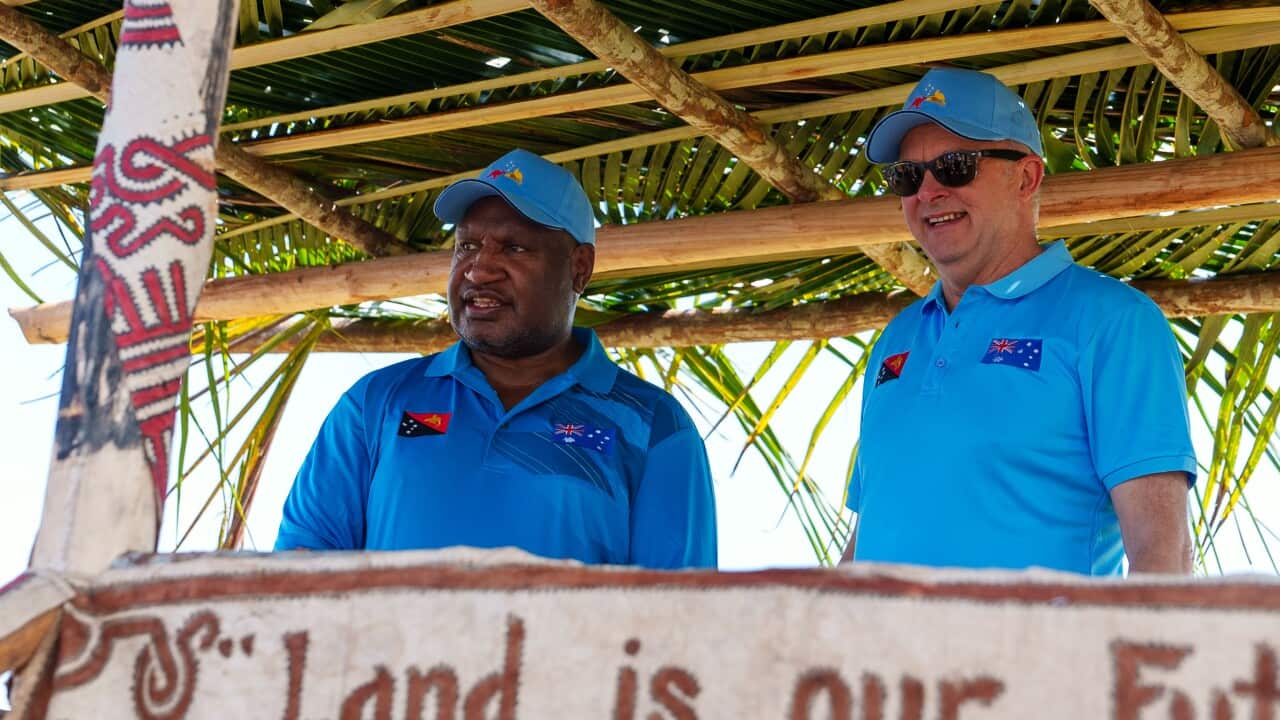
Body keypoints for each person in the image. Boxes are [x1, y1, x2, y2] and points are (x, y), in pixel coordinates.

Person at [275, 148, 717, 569]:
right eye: (466, 247)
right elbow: (297, 578)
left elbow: (681, 619)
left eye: (514, 248)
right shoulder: (375, 405)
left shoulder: (654, 427)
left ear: (579, 268)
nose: (478, 269)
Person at [841, 68, 1196, 575]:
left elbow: (1163, 558)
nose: (928, 191)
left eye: (955, 165)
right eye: (907, 176)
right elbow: (868, 537)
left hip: (1046, 656)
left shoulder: (1114, 323)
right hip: (876, 655)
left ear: (1026, 177)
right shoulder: (897, 338)